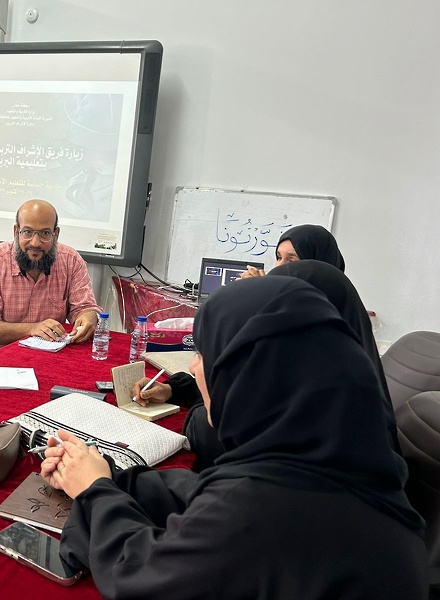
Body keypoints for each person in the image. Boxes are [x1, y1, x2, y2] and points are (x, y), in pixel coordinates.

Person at [41, 276, 427, 599]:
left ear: (253, 374)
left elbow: (141, 576)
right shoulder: (344, 456)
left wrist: (94, 491)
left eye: (205, 355)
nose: (193, 369)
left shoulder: (260, 513)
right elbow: (202, 491)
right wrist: (114, 475)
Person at [179, 259, 401, 470]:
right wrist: (178, 388)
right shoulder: (343, 383)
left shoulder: (351, 430)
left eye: (291, 258)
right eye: (278, 257)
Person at [0, 199, 101, 365]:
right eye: (28, 232)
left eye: (45, 233)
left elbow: (84, 307)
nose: (35, 243)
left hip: (47, 349)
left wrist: (89, 316)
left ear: (56, 234)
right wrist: (32, 329)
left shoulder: (71, 260)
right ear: (16, 231)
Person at [241, 223, 345, 278]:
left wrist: (261, 295)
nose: (278, 266)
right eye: (279, 258)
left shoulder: (328, 308)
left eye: (291, 261)